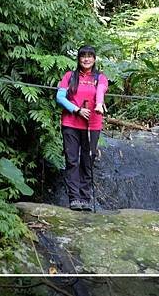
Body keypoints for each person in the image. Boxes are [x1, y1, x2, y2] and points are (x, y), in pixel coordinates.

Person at [56, 45, 108, 211]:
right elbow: (60, 97)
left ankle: (85, 198)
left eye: (90, 56)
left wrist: (99, 104)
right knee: (72, 161)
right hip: (71, 123)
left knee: (87, 160)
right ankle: (74, 199)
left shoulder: (100, 78)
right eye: (83, 56)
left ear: (94, 59)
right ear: (78, 59)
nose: (86, 59)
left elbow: (101, 91)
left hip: (92, 125)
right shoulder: (70, 76)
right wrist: (76, 110)